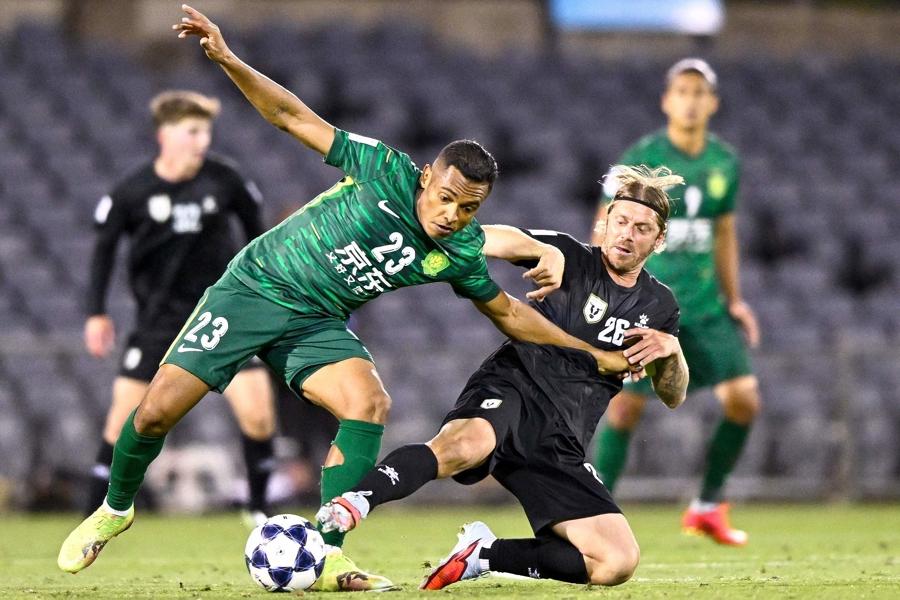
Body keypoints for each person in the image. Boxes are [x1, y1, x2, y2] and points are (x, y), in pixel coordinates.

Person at [58, 4, 637, 591]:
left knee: (369, 403)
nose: (452, 214)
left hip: (316, 321)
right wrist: (228, 59)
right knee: (155, 412)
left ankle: (328, 551)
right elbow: (291, 116)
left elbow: (510, 313)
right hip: (254, 289)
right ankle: (115, 508)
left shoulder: (459, 251)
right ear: (426, 177)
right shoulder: (382, 168)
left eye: (468, 208)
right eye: (446, 197)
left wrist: (592, 354)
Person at [317, 165, 689, 589]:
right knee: (464, 445)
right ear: (605, 221)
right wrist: (522, 246)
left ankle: (483, 553)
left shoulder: (660, 306)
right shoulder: (569, 256)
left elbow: (672, 395)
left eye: (642, 228)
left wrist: (673, 353)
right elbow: (493, 238)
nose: (627, 234)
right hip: (514, 386)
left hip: (563, 436)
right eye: (620, 221)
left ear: (659, 239)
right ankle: (355, 502)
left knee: (616, 562)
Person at [83, 89, 277, 527]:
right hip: (159, 323)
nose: (201, 141)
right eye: (192, 132)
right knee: (122, 423)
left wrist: (263, 291)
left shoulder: (226, 180)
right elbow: (103, 250)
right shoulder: (132, 191)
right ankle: (93, 515)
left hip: (223, 316)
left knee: (259, 414)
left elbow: (260, 238)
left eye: (205, 132)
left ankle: (259, 511)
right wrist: (96, 311)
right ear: (164, 135)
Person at [590, 59, 761, 546]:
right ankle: (593, 514)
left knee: (744, 400)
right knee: (624, 411)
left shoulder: (724, 162)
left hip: (705, 308)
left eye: (699, 92)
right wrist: (605, 291)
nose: (690, 100)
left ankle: (707, 506)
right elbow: (606, 225)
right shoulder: (642, 158)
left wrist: (735, 300)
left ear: (713, 103)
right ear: (667, 100)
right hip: (647, 305)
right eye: (682, 91)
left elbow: (724, 233)